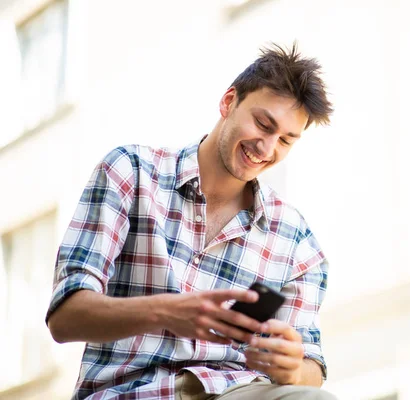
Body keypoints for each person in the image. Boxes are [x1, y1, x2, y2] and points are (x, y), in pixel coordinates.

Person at [45, 43, 336, 400]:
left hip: (235, 392)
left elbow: (312, 367)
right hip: (130, 393)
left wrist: (291, 367)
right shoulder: (131, 174)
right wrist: (166, 311)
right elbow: (65, 317)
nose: (267, 148)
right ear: (228, 102)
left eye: (286, 140)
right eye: (263, 124)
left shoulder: (296, 240)